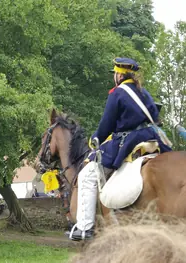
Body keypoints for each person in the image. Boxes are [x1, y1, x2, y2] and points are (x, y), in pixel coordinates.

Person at [69, 57, 172, 241]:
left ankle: (85, 227)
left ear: (119, 75)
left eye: (114, 74)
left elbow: (107, 123)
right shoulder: (144, 92)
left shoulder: (117, 93)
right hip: (153, 138)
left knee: (87, 174)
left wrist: (96, 137)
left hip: (130, 140)